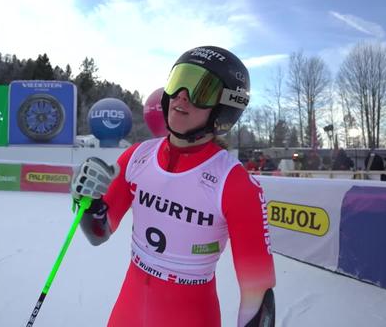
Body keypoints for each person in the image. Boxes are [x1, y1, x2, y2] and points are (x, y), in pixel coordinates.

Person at [71, 46, 276, 327]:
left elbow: (258, 297)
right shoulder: (137, 156)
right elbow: (99, 232)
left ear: (224, 109)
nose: (182, 95)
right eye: (179, 81)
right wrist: (89, 202)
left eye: (200, 89)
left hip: (190, 314)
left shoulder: (235, 183)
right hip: (128, 310)